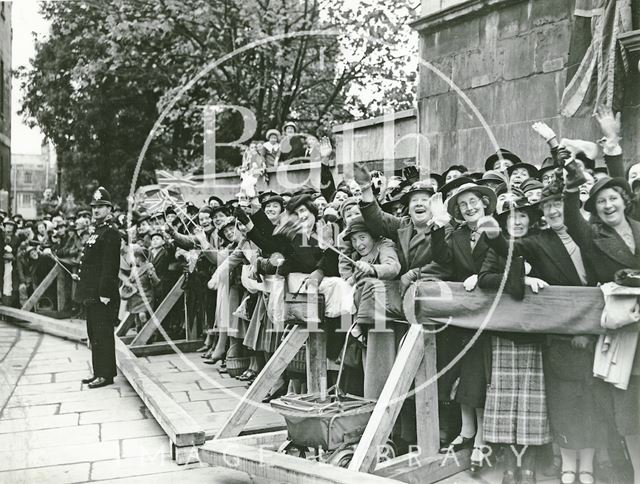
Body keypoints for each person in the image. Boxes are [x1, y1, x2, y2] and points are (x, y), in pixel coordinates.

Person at [76, 187, 121, 389]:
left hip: (102, 294)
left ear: (109, 209)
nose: (96, 210)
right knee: (94, 333)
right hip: (91, 292)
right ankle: (98, 372)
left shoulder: (111, 233)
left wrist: (105, 293)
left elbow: (109, 266)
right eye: (94, 207)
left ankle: (106, 374)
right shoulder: (97, 232)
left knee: (103, 334)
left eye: (101, 207)